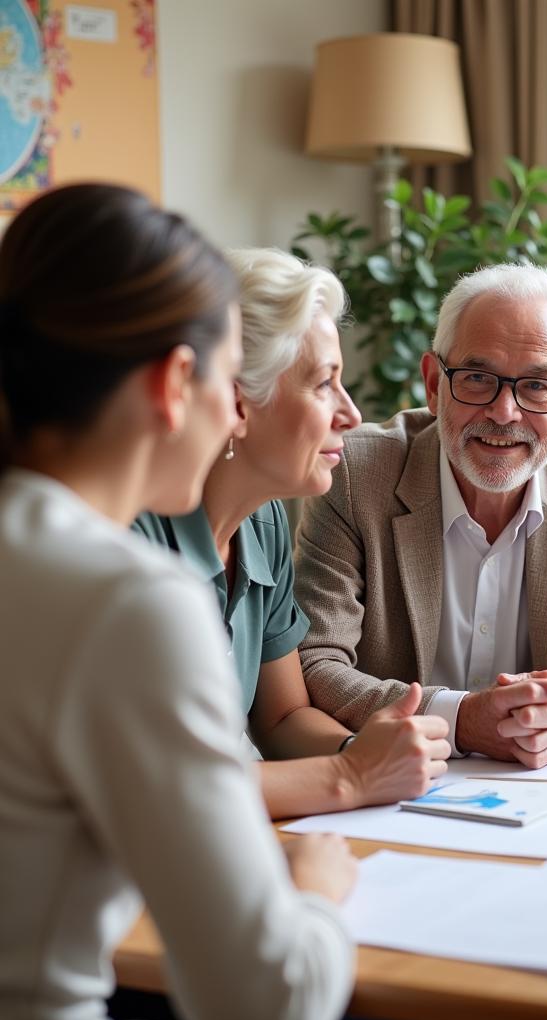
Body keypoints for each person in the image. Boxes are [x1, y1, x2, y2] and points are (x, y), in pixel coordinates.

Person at [0, 185, 355, 1020]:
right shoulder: (127, 601)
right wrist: (318, 892)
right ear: (175, 383)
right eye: (231, 378)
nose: (235, 409)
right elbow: (270, 1000)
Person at [293, 263, 547, 769]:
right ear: (432, 383)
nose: (504, 412)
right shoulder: (357, 474)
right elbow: (313, 662)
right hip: (399, 784)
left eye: (536, 386)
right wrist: (460, 718)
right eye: (477, 378)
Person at [134, 248, 450, 819]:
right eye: (324, 384)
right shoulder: (132, 540)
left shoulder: (263, 520)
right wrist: (351, 774)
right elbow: (159, 782)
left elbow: (281, 719)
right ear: (238, 401)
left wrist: (366, 750)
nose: (351, 415)